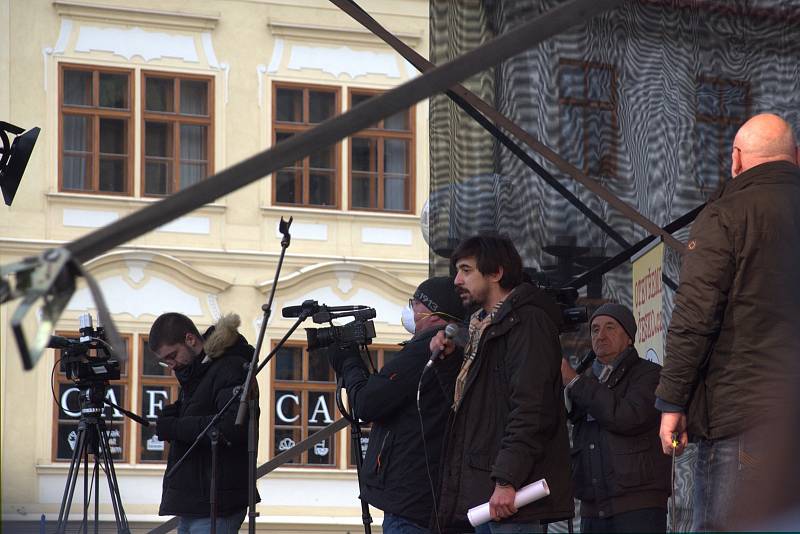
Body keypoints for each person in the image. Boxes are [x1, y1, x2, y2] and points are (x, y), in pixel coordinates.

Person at [656, 113, 800, 530]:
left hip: (744, 418)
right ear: (796, 157)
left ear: (736, 159)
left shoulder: (727, 214)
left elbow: (695, 315)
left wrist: (673, 402)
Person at [430, 234, 573, 533]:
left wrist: (508, 479)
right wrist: (447, 363)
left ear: (496, 272)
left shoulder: (527, 323)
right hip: (486, 493)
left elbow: (531, 409)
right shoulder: (482, 328)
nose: (457, 280)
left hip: (510, 499)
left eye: (466, 270)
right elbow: (469, 412)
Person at [329, 276, 467, 534]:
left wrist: (349, 362)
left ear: (434, 314)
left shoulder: (425, 352)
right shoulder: (456, 348)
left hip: (413, 506)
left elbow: (367, 404)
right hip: (429, 501)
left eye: (415, 304)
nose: (411, 310)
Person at [561, 303, 670, 533]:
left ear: (629, 337)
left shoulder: (650, 374)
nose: (601, 335)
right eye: (595, 329)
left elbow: (626, 416)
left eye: (610, 328)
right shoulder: (586, 378)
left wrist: (575, 383)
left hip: (639, 507)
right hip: (593, 509)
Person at [150, 312, 259, 534]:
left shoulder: (230, 367)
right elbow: (204, 413)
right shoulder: (198, 372)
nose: (171, 365)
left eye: (173, 356)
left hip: (217, 503)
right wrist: (177, 415)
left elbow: (230, 427)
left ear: (190, 339)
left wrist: (176, 427)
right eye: (166, 361)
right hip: (196, 502)